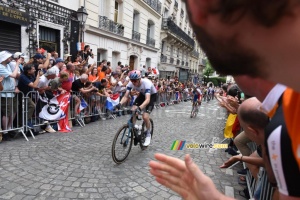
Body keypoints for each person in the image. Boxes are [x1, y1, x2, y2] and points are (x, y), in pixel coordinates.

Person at [116, 70, 157, 146]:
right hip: (142, 95)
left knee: (145, 116)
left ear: (139, 79)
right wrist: (119, 104)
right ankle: (134, 128)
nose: (133, 82)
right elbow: (126, 96)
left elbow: (147, 99)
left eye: (135, 81)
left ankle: (148, 134)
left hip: (151, 96)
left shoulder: (146, 83)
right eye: (132, 80)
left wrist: (140, 108)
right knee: (133, 109)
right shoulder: (131, 83)